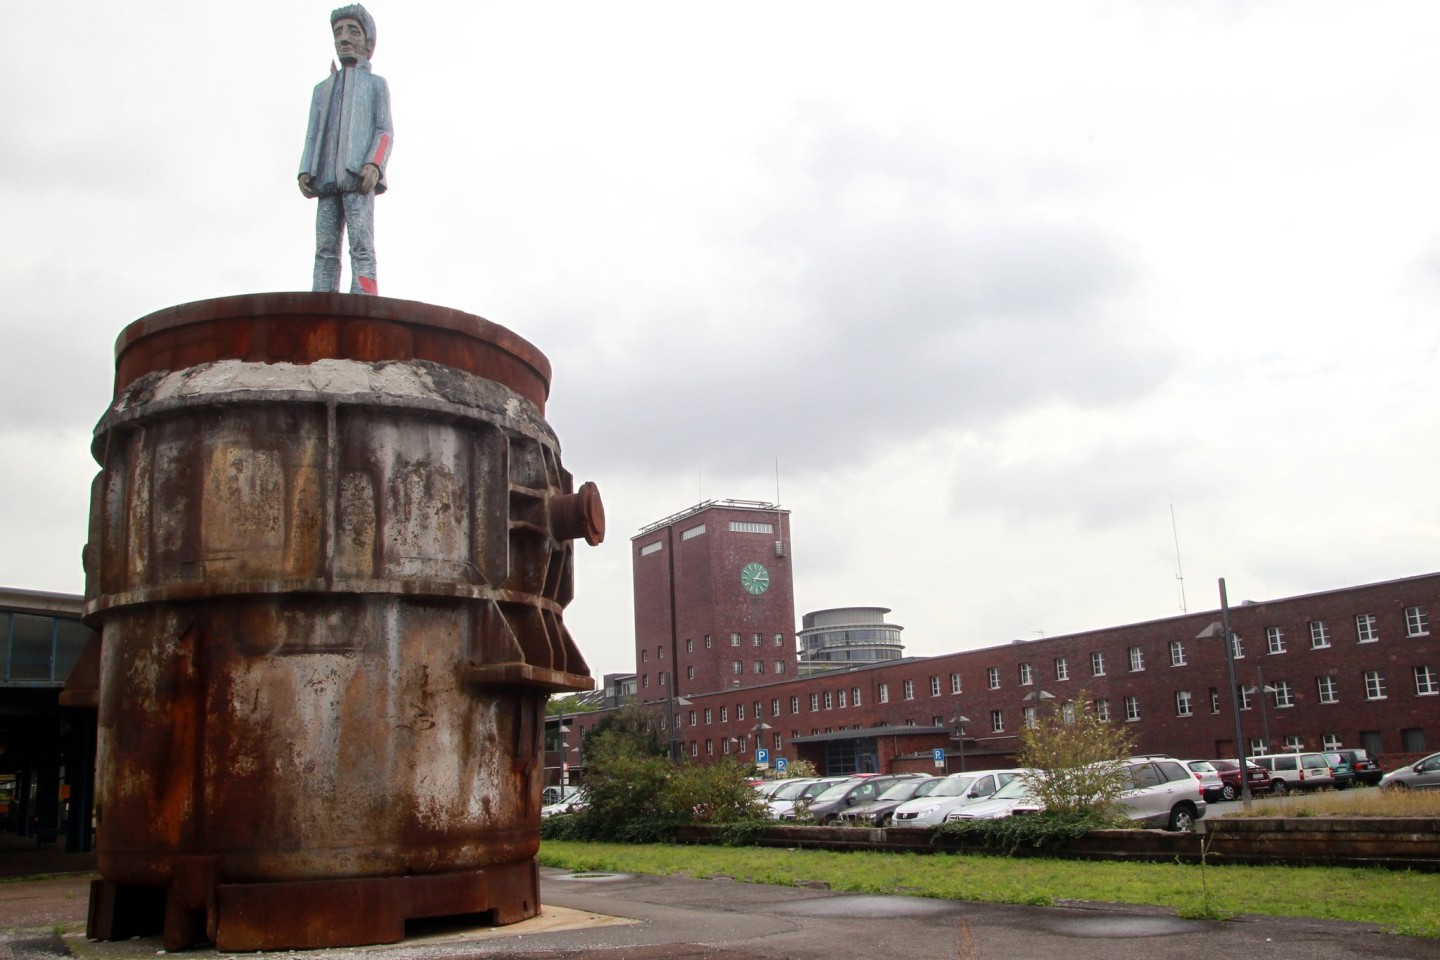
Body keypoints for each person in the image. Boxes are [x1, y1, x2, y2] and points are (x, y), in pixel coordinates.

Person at [298, 5, 393, 295]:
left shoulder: (375, 85)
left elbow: (384, 130)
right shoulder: (322, 89)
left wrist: (374, 165)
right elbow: (313, 134)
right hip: (326, 179)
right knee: (325, 248)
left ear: (368, 42)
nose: (344, 38)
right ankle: (321, 303)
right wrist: (305, 169)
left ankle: (364, 304)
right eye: (338, 32)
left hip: (357, 178)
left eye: (353, 31)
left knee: (361, 245)